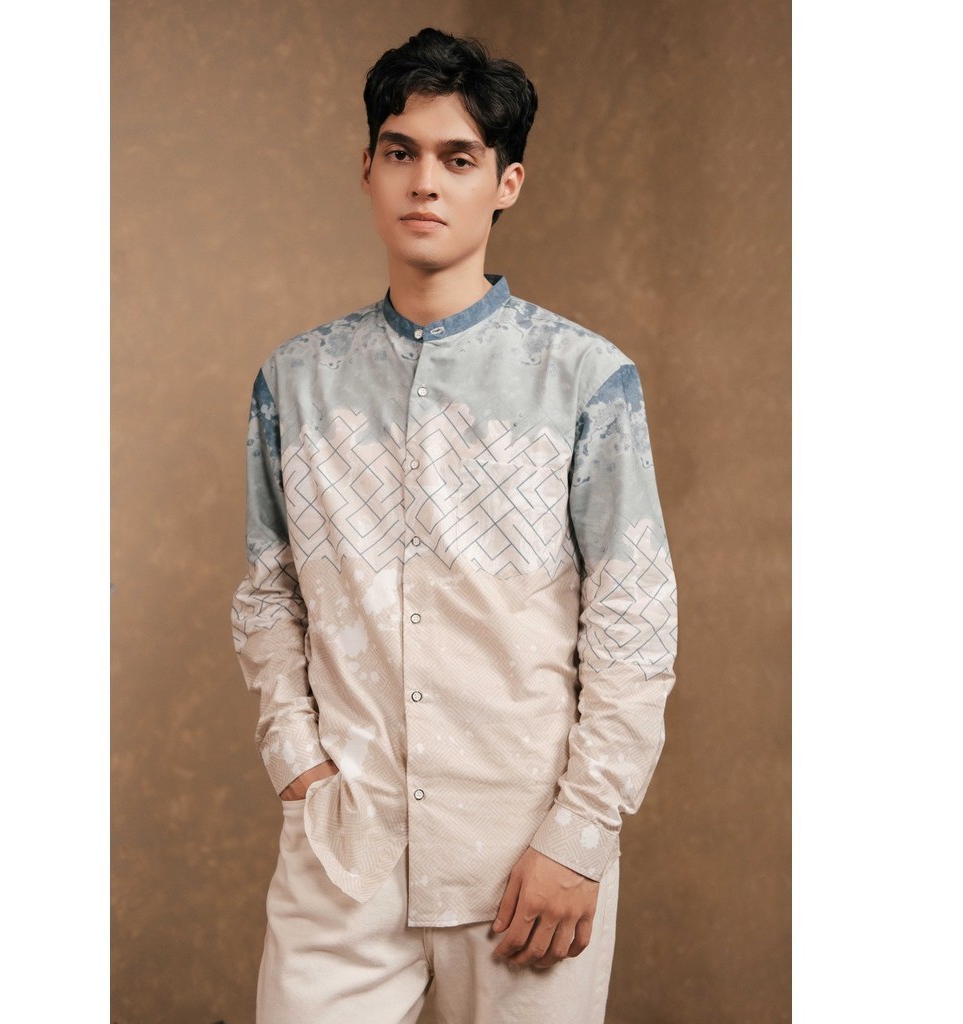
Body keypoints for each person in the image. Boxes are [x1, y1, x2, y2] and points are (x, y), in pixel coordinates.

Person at [231, 26, 678, 1024]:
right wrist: (296, 763)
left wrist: (581, 836)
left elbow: (635, 621)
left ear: (506, 182)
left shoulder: (585, 379)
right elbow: (268, 591)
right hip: (343, 855)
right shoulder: (293, 381)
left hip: (526, 863)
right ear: (367, 169)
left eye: (458, 158)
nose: (424, 182)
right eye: (401, 152)